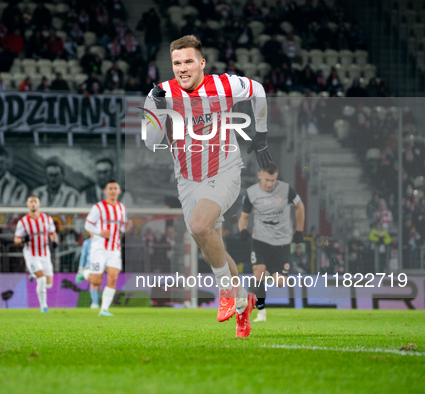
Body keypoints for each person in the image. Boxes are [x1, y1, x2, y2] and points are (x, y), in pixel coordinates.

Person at [142, 35, 270, 337]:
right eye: (176, 63)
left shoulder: (224, 85)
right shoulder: (159, 93)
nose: (182, 68)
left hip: (224, 170)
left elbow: (259, 90)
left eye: (188, 61)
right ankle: (243, 305)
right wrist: (159, 112)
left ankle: (226, 293)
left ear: (201, 63)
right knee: (212, 247)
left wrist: (260, 133)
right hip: (187, 179)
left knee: (199, 227)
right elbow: (150, 142)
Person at [238, 162, 305, 323]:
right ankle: (261, 312)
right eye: (267, 179)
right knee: (257, 272)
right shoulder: (251, 192)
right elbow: (244, 216)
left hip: (281, 241)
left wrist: (299, 230)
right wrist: (242, 230)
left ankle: (268, 273)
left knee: (280, 282)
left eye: (273, 180)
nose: (269, 184)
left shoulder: (287, 189)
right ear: (260, 175)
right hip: (260, 240)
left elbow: (300, 207)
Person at [84, 180, 131, 316]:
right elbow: (88, 225)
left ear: (119, 191)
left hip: (114, 249)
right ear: (105, 191)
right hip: (99, 249)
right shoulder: (98, 207)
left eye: (115, 188)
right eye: (110, 188)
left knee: (113, 278)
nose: (112, 191)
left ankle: (104, 309)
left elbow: (121, 228)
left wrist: (125, 228)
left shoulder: (122, 208)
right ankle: (85, 272)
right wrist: (100, 232)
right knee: (96, 281)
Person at [14, 196, 58, 313]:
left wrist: (54, 241)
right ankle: (43, 306)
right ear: (27, 205)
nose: (33, 204)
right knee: (42, 279)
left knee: (49, 284)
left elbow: (53, 233)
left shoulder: (47, 219)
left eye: (35, 202)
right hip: (31, 254)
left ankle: (33, 274)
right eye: (31, 202)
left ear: (39, 204)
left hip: (45, 253)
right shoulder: (23, 222)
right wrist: (23, 240)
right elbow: (16, 239)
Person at [75, 233, 100, 309]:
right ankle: (94, 303)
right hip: (89, 265)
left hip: (98, 265)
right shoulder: (87, 242)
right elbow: (83, 256)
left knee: (98, 284)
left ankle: (96, 301)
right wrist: (80, 268)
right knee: (93, 281)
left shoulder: (100, 242)